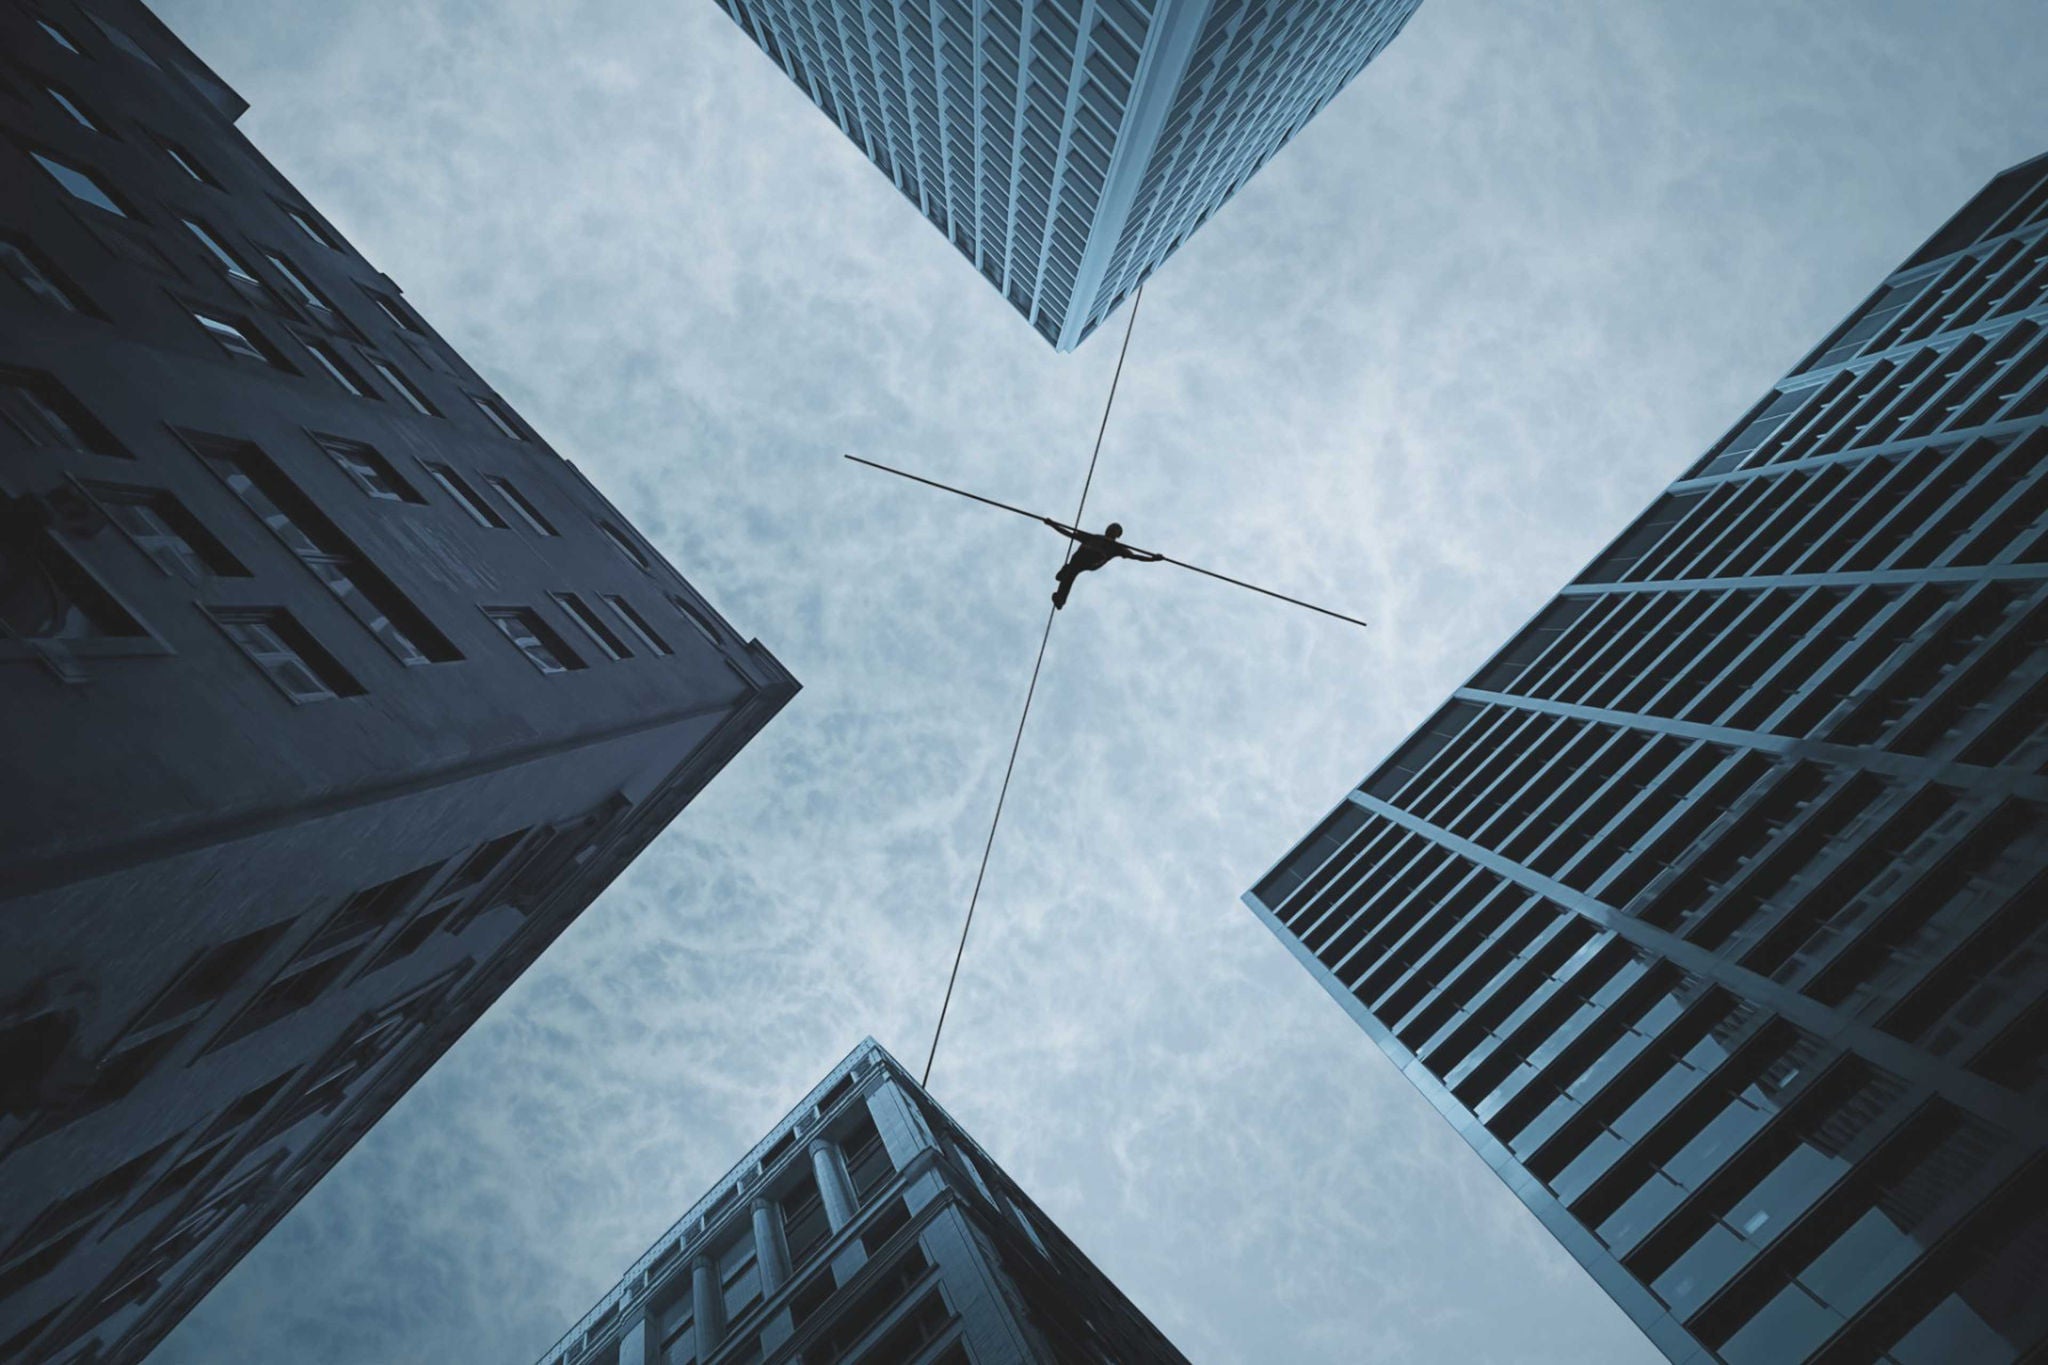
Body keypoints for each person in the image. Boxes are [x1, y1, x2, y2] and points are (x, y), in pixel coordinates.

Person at [1042, 518, 1162, 609]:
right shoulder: (1093, 537)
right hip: (1080, 557)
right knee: (1071, 572)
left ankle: (1062, 589)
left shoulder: (1117, 547)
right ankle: (1063, 585)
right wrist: (1052, 524)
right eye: (1111, 527)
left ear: (1118, 535)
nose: (1111, 529)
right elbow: (1069, 533)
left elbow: (1136, 557)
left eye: (1115, 529)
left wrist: (1153, 558)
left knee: (1071, 572)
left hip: (1094, 559)